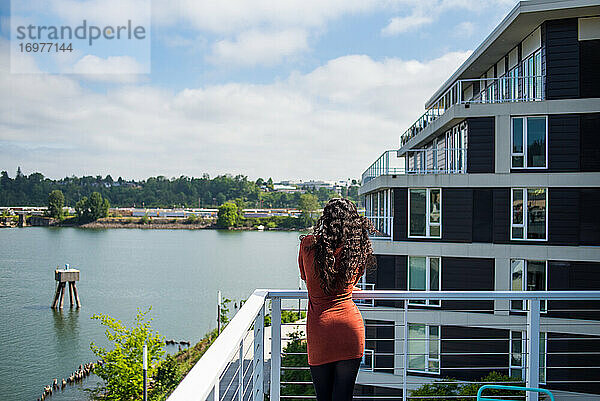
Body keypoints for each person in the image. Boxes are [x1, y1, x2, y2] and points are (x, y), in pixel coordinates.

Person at [298, 198, 376, 401]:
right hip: (350, 328)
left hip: (320, 329)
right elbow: (351, 282)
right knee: (344, 396)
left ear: (325, 219)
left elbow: (306, 277)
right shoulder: (355, 251)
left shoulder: (308, 245)